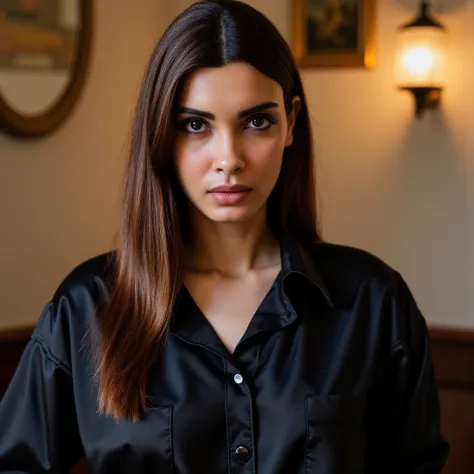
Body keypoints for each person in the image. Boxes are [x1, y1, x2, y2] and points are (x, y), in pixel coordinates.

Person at [0, 1, 449, 473]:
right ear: (161, 133)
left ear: (291, 122)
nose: (229, 157)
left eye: (257, 121)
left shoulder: (372, 303)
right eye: (195, 125)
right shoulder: (86, 308)